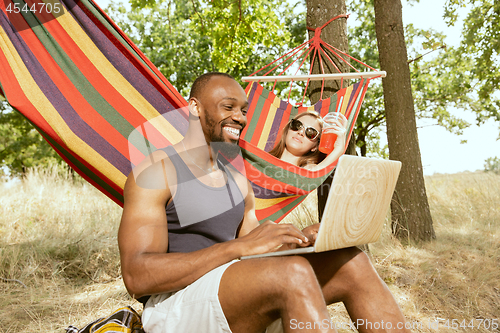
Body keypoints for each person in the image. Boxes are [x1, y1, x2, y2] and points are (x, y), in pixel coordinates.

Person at [119, 72, 410, 333]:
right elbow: (137, 277)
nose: (241, 117)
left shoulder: (235, 177)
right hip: (175, 305)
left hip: (230, 289)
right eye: (228, 107)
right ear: (195, 107)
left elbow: (253, 249)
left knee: (350, 261)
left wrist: (297, 241)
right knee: (291, 275)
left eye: (244, 110)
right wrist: (235, 248)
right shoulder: (158, 169)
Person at [269, 111, 348, 170]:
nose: (301, 132)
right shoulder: (260, 160)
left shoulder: (308, 170)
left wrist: (338, 149)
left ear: (315, 147)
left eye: (311, 132)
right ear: (287, 131)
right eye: (297, 125)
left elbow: (314, 173)